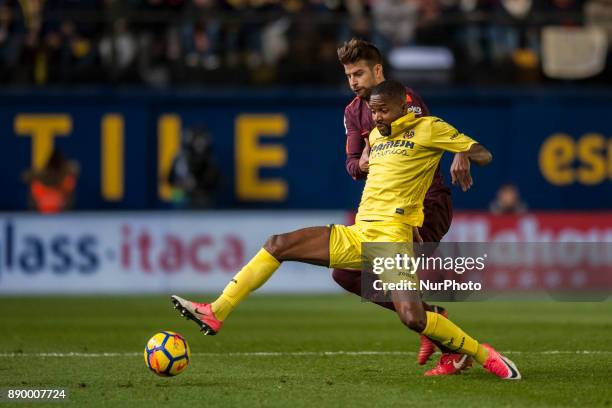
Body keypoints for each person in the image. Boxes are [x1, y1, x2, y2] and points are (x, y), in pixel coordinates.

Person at [171, 80, 521, 380]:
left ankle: (481, 353)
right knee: (278, 244)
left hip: (391, 238)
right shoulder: (375, 138)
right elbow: (364, 165)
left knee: (414, 318)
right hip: (357, 234)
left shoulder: (429, 128)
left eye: (383, 111)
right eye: (373, 111)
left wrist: (463, 151)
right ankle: (216, 311)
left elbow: (485, 154)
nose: (377, 117)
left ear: (404, 106)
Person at [335, 38, 474, 375]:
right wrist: (363, 164)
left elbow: (432, 135)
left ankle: (449, 344)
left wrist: (461, 150)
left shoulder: (406, 102)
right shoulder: (353, 112)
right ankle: (431, 319)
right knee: (345, 274)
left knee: (390, 285)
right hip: (386, 213)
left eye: (359, 73)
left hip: (424, 206)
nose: (353, 81)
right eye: (348, 75)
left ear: (378, 70)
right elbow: (352, 166)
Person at [22, 149, 79, 214]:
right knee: (35, 185)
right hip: (41, 213)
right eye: (53, 168)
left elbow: (75, 169)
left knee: (69, 182)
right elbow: (25, 177)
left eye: (56, 169)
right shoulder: (41, 176)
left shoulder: (66, 179)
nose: (54, 172)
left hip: (61, 213)